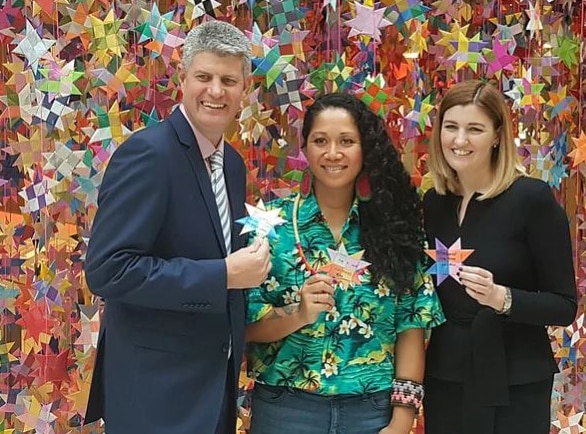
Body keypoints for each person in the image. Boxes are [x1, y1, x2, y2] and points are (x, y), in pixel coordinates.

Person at [83, 20, 272, 434]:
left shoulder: (234, 165)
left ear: (244, 90)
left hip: (213, 390)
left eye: (228, 80)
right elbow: (108, 269)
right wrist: (223, 274)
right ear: (182, 79)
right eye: (204, 77)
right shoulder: (148, 154)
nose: (216, 91)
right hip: (155, 394)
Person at [244, 93, 445, 434]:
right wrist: (299, 314)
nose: (333, 153)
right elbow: (245, 325)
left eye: (347, 141)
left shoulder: (396, 231)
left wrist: (402, 420)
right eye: (320, 141)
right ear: (305, 148)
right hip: (287, 409)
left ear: (364, 149)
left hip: (371, 411)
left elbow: (411, 325)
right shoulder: (272, 229)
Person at [421, 79, 578, 434]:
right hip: (446, 375)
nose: (459, 140)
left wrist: (501, 298)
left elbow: (564, 306)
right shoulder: (434, 202)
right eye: (451, 127)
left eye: (474, 129)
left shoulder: (531, 199)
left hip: (515, 380)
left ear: (496, 135)